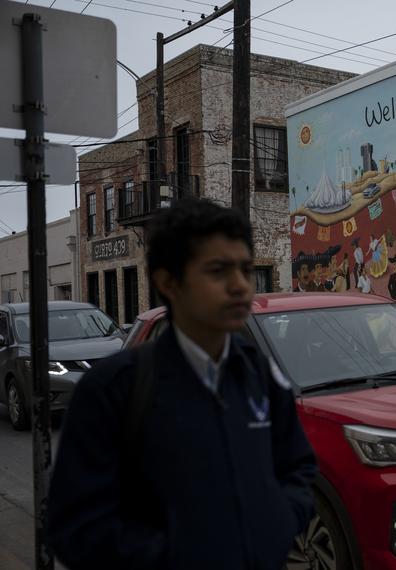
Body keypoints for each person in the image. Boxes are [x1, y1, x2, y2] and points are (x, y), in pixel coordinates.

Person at [47, 199, 317, 570]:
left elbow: (298, 466)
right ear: (168, 282)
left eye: (245, 269)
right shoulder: (114, 389)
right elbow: (75, 527)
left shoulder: (259, 374)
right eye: (218, 271)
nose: (240, 286)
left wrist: (280, 522)